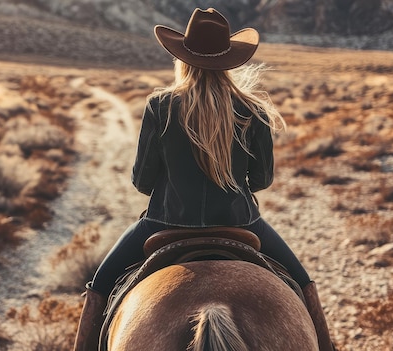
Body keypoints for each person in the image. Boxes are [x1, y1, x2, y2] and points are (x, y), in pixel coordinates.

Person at [73, 8, 336, 351]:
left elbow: (142, 180)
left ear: (183, 58)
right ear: (229, 60)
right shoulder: (253, 110)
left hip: (162, 221)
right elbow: (261, 179)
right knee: (302, 284)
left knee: (100, 285)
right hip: (243, 222)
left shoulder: (160, 106)